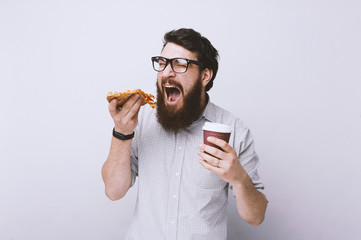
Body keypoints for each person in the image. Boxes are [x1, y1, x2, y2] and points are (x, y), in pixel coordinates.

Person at [102, 28, 268, 239]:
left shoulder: (234, 130)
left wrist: (239, 178)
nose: (167, 72)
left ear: (205, 76)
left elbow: (256, 216)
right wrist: (122, 133)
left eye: (180, 64)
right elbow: (113, 191)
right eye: (162, 63)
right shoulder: (140, 120)